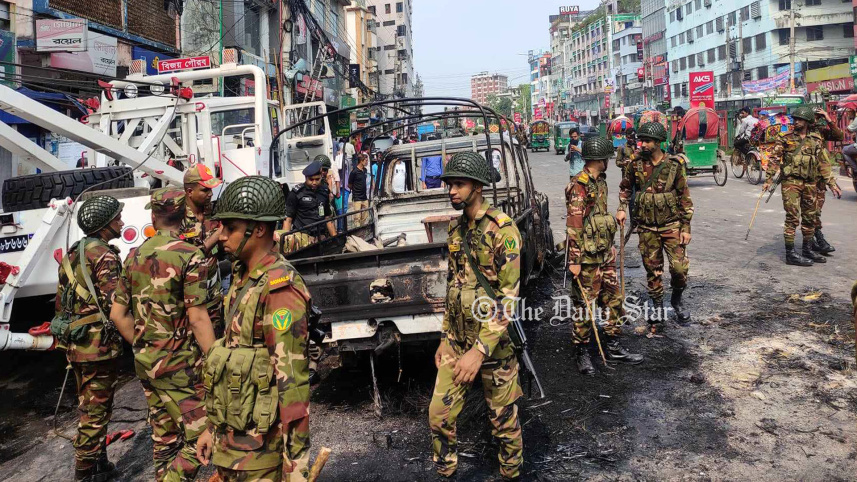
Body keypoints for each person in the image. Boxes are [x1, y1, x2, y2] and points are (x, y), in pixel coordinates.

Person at [195, 176, 312, 482]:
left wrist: (296, 464)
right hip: (230, 446)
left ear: (258, 229)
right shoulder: (241, 276)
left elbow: (292, 382)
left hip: (261, 455)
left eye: (230, 228)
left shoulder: (278, 288)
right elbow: (230, 360)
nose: (221, 237)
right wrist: (212, 429)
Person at [428, 152, 524, 480]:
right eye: (449, 184)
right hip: (457, 341)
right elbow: (453, 288)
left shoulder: (502, 229)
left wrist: (479, 351)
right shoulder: (456, 230)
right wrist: (445, 337)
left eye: (459, 184)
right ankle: (446, 471)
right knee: (439, 416)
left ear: (478, 187)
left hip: (492, 347)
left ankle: (511, 475)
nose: (452, 191)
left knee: (504, 427)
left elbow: (508, 297)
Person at [110, 188, 215, 482]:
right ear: (183, 217)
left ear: (154, 217)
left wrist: (147, 347)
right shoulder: (190, 255)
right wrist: (217, 358)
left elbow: (118, 314)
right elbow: (198, 318)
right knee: (205, 437)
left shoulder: (133, 256)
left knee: (165, 440)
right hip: (181, 365)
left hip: (146, 363)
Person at [55, 196, 124, 482]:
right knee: (94, 415)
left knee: (93, 406)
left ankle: (99, 465)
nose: (121, 221)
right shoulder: (105, 256)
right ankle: (83, 476)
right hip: (98, 348)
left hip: (77, 344)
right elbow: (116, 304)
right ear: (105, 225)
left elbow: (61, 303)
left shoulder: (74, 253)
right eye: (117, 218)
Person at [566, 138, 644, 374]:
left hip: (604, 253)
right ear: (599, 160)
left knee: (614, 299)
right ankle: (582, 352)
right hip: (587, 258)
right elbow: (574, 224)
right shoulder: (579, 185)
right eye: (607, 158)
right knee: (584, 306)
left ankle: (614, 345)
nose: (609, 162)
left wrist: (620, 211)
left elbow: (599, 214)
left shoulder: (600, 182)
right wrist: (574, 260)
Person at [617, 122, 694, 331]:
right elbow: (625, 188)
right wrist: (622, 207)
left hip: (672, 226)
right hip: (647, 227)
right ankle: (658, 307)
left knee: (679, 269)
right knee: (653, 270)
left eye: (648, 141)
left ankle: (677, 300)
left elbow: (684, 197)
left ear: (659, 143)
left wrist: (686, 227)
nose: (643, 144)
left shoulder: (674, 165)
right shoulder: (635, 163)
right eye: (642, 140)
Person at [763, 106, 842, 266]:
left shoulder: (816, 139)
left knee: (810, 217)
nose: (796, 122)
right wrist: (769, 179)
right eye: (795, 119)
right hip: (791, 183)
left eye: (799, 119)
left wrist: (832, 183)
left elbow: (823, 164)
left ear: (807, 122)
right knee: (792, 218)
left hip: (811, 183)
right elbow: (774, 159)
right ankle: (790, 254)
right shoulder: (785, 138)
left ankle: (807, 249)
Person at [180, 164, 225, 336]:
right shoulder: (178, 218)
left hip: (214, 297)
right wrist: (218, 235)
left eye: (211, 190)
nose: (210, 194)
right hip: (193, 302)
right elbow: (187, 257)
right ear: (190, 192)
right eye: (205, 190)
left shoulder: (211, 212)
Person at [278, 160, 337, 255]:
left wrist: (335, 238)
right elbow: (288, 219)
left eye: (317, 179)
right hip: (302, 238)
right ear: (306, 178)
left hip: (320, 238)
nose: (314, 182)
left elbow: (327, 218)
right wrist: (286, 243)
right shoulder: (297, 193)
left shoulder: (324, 192)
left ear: (321, 177)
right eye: (311, 179)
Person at [809, 108, 844, 255]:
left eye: (818, 118)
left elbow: (839, 135)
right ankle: (817, 239)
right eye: (814, 118)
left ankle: (812, 239)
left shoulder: (820, 133)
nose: (816, 121)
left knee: (817, 210)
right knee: (811, 211)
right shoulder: (800, 134)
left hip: (820, 179)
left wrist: (828, 118)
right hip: (807, 180)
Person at [348, 153, 370, 228]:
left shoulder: (365, 170)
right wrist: (355, 190)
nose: (367, 162)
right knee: (357, 217)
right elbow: (349, 184)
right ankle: (358, 229)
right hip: (357, 197)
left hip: (364, 196)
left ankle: (362, 227)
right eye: (366, 160)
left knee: (365, 214)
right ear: (361, 161)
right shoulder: (354, 172)